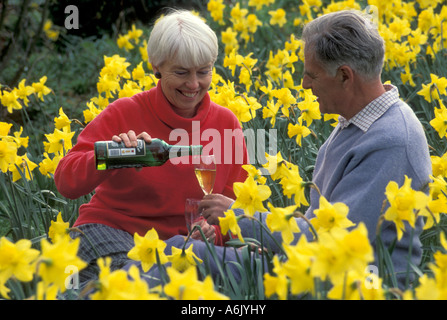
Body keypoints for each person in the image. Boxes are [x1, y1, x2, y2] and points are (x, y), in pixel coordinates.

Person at [141, 9, 431, 289]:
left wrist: (242, 217)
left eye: (313, 76)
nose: (304, 84)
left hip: (347, 282)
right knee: (180, 251)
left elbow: (335, 240)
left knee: (184, 259)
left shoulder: (391, 141)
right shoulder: (358, 124)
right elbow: (319, 225)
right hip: (312, 263)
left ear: (345, 76)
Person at [54, 9, 249, 289]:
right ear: (156, 66)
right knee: (140, 283)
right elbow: (65, 182)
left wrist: (212, 232)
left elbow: (232, 207)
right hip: (113, 234)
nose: (194, 84)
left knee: (242, 267)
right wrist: (111, 155)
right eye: (181, 72)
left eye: (203, 72)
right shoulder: (124, 113)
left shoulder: (226, 123)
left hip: (184, 249)